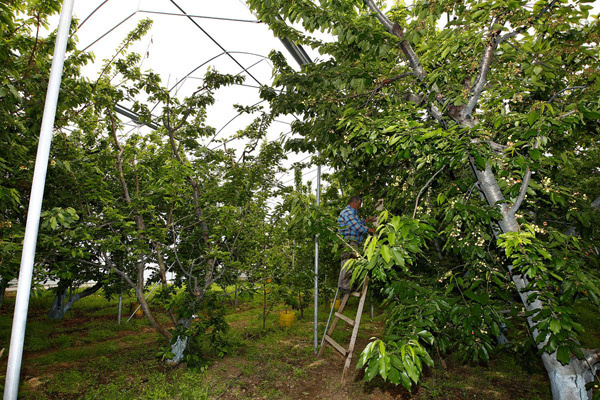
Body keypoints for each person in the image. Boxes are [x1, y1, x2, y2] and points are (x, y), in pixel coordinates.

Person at [337, 196, 375, 292]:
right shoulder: (348, 213)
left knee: (346, 264)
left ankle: (343, 285)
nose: (359, 206)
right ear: (354, 203)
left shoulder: (351, 213)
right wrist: (370, 230)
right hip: (348, 242)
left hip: (348, 242)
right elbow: (357, 227)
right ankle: (346, 286)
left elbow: (357, 223)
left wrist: (366, 220)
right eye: (359, 204)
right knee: (350, 264)